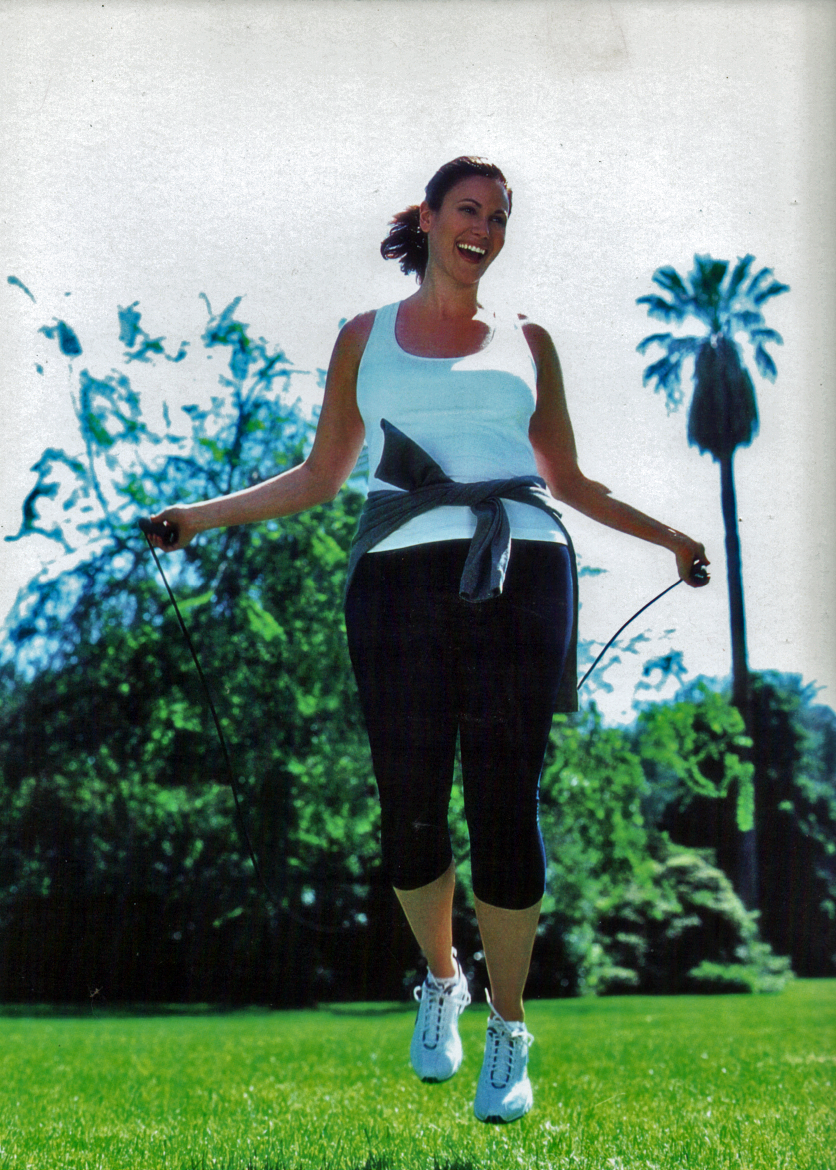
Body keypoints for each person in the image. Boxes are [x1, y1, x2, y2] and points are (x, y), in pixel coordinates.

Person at [149, 156, 709, 1124]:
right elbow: (320, 475)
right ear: (429, 217)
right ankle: (442, 978)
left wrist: (670, 537)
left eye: (498, 216)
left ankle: (510, 1030)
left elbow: (570, 481)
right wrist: (195, 518)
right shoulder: (363, 337)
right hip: (396, 579)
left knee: (505, 802)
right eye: (468, 209)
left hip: (522, 569)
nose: (483, 228)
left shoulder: (529, 339)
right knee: (409, 806)